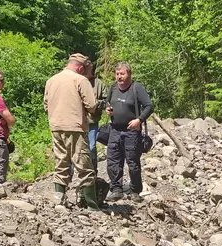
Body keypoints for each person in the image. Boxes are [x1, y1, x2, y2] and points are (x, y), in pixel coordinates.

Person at [44, 53, 100, 209]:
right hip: (75, 127)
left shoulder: (51, 80)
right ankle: (92, 204)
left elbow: (46, 105)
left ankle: (58, 198)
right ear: (81, 67)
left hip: (56, 126)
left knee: (61, 162)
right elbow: (91, 105)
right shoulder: (80, 80)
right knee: (84, 165)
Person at [106, 61, 154, 202]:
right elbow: (108, 103)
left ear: (129, 74)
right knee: (113, 161)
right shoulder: (113, 88)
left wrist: (139, 120)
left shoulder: (136, 88)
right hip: (114, 130)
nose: (119, 77)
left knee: (132, 162)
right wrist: (108, 110)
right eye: (117, 74)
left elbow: (149, 106)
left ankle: (134, 190)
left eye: (122, 74)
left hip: (131, 132)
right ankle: (116, 189)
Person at [85, 59, 109, 173]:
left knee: (91, 147)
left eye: (87, 68)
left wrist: (96, 104)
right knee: (74, 149)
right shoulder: (76, 81)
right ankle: (70, 175)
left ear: (91, 68)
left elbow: (106, 101)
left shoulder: (98, 83)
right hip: (77, 122)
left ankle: (93, 171)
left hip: (92, 121)